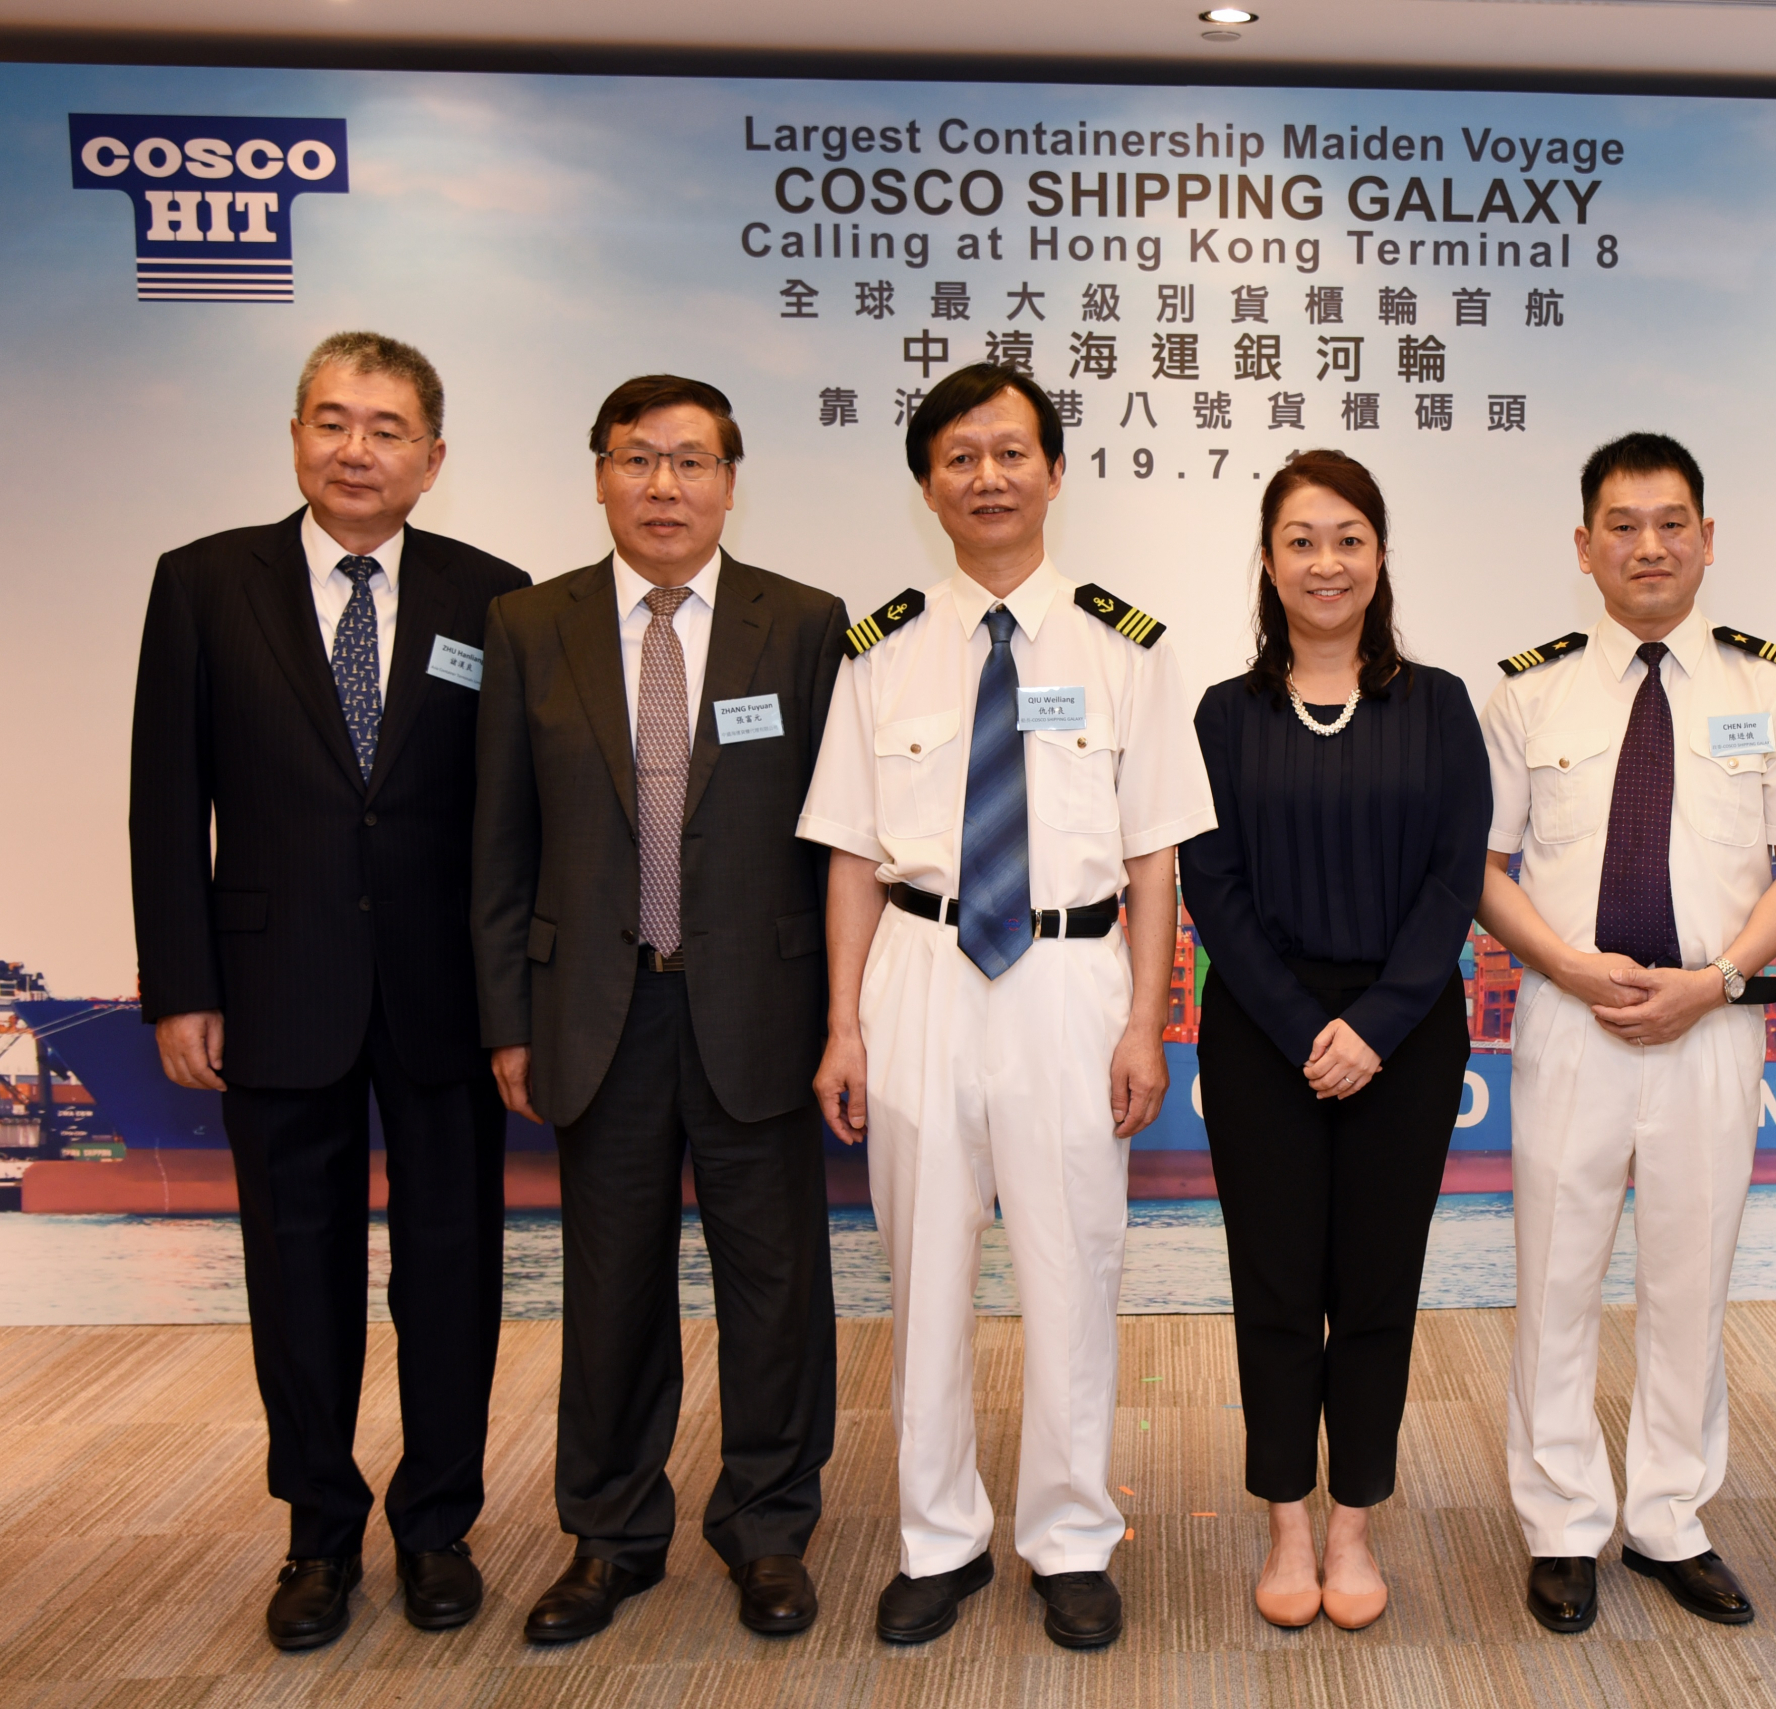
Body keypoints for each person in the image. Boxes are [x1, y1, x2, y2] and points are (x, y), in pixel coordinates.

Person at [799, 362, 1214, 1651]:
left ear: (1055, 471)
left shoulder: (1126, 648)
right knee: (924, 1272)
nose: (988, 477)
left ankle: (1072, 1536)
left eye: (1012, 452)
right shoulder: (879, 653)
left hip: (1070, 982)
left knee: (1073, 1267)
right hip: (918, 973)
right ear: (928, 487)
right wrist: (844, 1023)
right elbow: (850, 855)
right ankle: (939, 1537)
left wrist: (1144, 1022)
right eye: (960, 458)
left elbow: (1154, 856)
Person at [129, 331, 525, 1650]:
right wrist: (181, 983)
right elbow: (163, 800)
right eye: (333, 422)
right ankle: (317, 1533)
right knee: (297, 1272)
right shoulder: (203, 582)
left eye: (387, 429)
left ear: (433, 456)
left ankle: (437, 1525)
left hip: (444, 994)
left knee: (452, 1267)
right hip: (271, 985)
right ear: (296, 435)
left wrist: (516, 994)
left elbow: (513, 815)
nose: (357, 450)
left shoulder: (493, 597)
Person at [470, 375, 848, 1644]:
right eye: (638, 458)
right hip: (596, 1009)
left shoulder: (805, 625)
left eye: (692, 460)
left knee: (776, 1285)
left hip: (762, 1007)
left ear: (731, 482)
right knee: (611, 1285)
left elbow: (837, 839)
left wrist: (843, 1014)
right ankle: (612, 1534)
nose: (665, 485)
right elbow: (498, 842)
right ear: (599, 475)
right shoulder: (531, 625)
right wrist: (507, 1018)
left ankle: (769, 1527)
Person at [1475, 432, 1776, 1635]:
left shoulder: (1770, 692)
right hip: (1569, 1015)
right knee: (1556, 1274)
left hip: (1712, 1022)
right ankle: (1562, 1520)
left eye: (1672, 522)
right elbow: (1483, 866)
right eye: (1623, 526)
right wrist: (1567, 963)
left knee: (1692, 1276)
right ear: (1584, 546)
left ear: (1708, 538)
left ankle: (1671, 1515)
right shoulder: (1528, 692)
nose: (1649, 546)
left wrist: (1718, 977)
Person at [1178, 450, 1488, 1632]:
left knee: (1375, 1283)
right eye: (1301, 540)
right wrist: (1312, 1027)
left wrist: (1377, 1023)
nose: (1326, 562)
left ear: (1381, 554)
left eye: (1349, 537)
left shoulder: (1440, 704)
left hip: (1406, 1032)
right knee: (1273, 1282)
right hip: (1264, 1032)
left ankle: (1353, 1519)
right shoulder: (1224, 714)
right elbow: (1214, 886)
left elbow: (1454, 878)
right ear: (1268, 562)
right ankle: (1287, 1522)